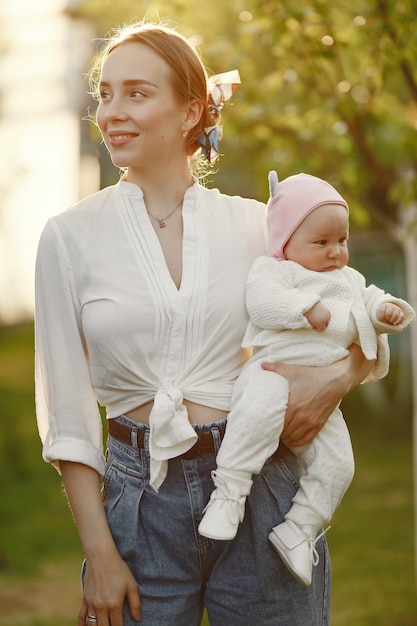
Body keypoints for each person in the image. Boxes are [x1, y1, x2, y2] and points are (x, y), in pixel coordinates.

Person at [35, 20, 378, 626]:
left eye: (137, 93)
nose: (112, 111)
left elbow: (354, 316)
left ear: (192, 111)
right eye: (105, 94)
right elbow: (66, 414)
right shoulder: (69, 237)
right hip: (138, 505)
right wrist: (99, 553)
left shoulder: (259, 227)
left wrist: (336, 379)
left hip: (261, 483)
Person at [198, 171, 416, 586]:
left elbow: (371, 301)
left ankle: (299, 528)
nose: (336, 252)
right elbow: (261, 302)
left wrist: (386, 311)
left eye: (342, 240)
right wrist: (302, 306)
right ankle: (229, 493)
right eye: (322, 243)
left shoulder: (349, 281)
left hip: (325, 394)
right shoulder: (277, 271)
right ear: (286, 242)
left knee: (340, 465)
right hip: (273, 371)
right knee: (255, 418)